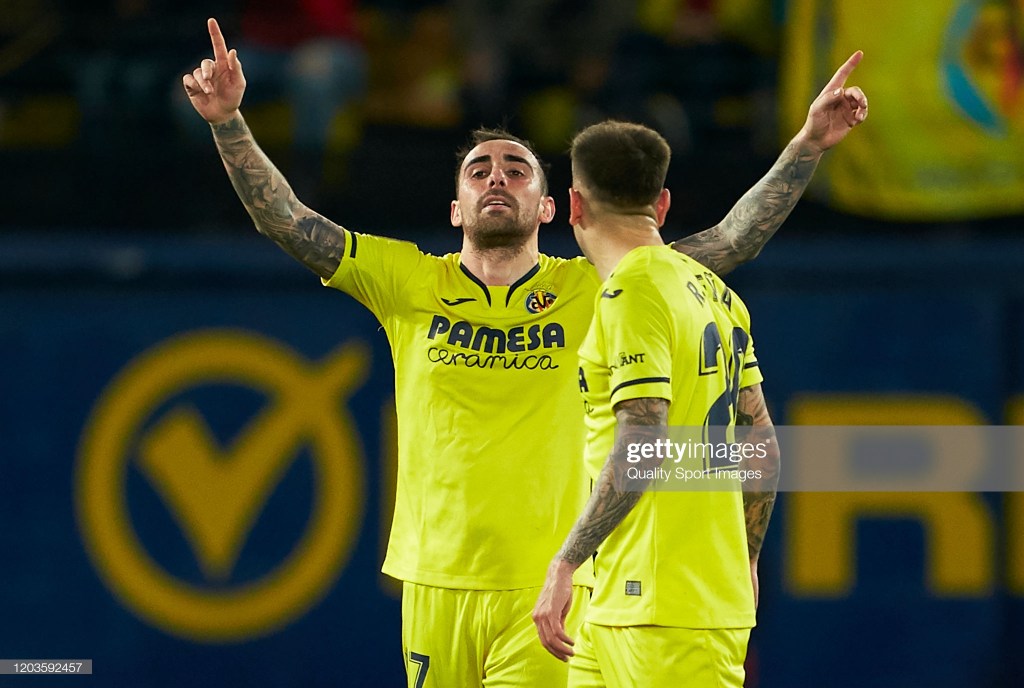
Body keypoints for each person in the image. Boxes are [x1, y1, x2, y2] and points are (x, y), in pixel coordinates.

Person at [182, 18, 866, 687]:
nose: (497, 178)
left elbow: (728, 242)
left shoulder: (597, 286)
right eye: (479, 171)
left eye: (517, 170)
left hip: (549, 587)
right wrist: (228, 123)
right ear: (456, 208)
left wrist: (808, 142)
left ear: (553, 209)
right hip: (433, 581)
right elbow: (289, 222)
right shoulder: (409, 281)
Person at [531, 120, 780, 687]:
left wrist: (565, 562)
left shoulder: (632, 290)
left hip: (664, 605)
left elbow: (645, 442)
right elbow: (759, 442)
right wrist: (746, 556)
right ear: (662, 205)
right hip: (621, 602)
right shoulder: (715, 293)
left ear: (573, 205)